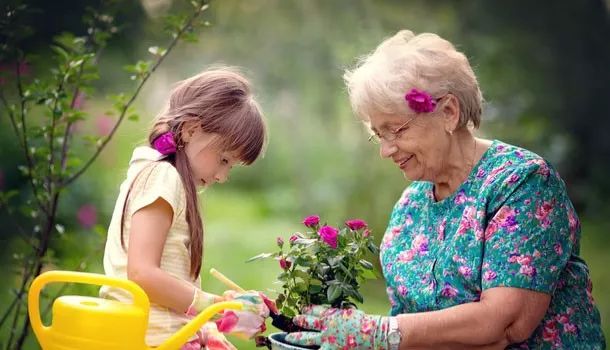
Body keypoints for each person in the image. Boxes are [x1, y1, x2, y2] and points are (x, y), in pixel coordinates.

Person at [285, 30, 605, 349]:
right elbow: (413, 325)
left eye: (395, 130)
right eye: (377, 135)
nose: (385, 150)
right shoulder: (409, 206)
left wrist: (381, 332)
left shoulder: (521, 182)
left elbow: (506, 324)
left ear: (448, 112)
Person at [100, 67, 272, 350]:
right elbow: (141, 273)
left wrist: (218, 315)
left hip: (166, 331)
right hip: (153, 337)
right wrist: (212, 306)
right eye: (225, 160)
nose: (222, 176)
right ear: (192, 130)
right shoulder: (163, 177)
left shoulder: (168, 179)